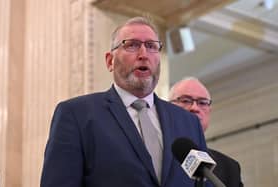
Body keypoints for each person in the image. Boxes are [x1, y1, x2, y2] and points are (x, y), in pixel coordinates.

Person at [40, 17, 211, 187]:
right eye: (132, 45)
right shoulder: (76, 114)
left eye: (151, 46)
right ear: (110, 61)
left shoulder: (188, 123)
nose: (143, 54)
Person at [169, 77, 244, 187]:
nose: (195, 108)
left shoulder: (230, 168)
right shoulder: (154, 156)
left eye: (202, 103)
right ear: (168, 107)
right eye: (185, 101)